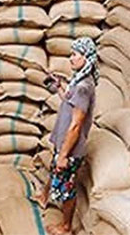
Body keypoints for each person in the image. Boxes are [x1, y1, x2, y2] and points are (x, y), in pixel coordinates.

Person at [35, 37, 98, 235]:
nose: (70, 58)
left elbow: (76, 124)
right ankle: (44, 196)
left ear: (86, 58)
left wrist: (64, 154)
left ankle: (66, 227)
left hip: (70, 147)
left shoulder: (83, 87)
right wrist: (59, 86)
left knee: (67, 187)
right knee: (56, 169)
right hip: (64, 143)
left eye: (74, 55)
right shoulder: (78, 81)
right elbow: (69, 101)